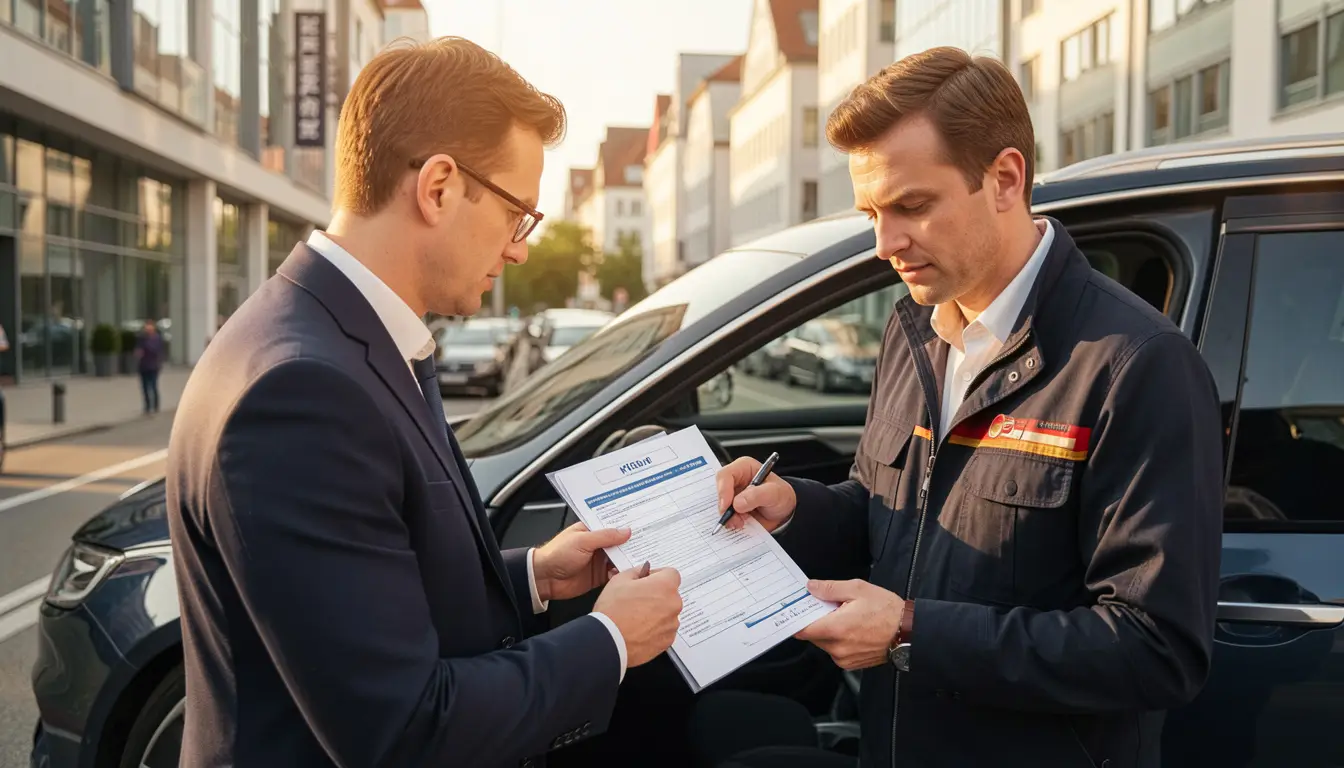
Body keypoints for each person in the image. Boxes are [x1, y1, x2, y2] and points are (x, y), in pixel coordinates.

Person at [165, 37, 683, 768]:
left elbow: (371, 590)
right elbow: (401, 730)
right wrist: (608, 640)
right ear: (439, 186)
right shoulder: (303, 392)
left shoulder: (325, 335)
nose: (520, 248)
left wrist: (532, 574)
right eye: (518, 215)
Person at [707, 47, 1224, 768]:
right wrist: (793, 507)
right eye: (872, 213)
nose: (886, 243)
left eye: (912, 206)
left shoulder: (1135, 364)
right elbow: (887, 513)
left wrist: (912, 632)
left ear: (1006, 178)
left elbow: (1155, 648)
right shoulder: (915, 330)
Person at [134, 319, 164, 413]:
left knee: (153, 386)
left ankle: (155, 405)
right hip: (143, 366)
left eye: (150, 327)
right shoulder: (142, 339)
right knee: (145, 388)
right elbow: (138, 349)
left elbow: (155, 350)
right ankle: (147, 406)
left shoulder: (156, 339)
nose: (148, 329)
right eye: (146, 327)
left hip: (153, 366)